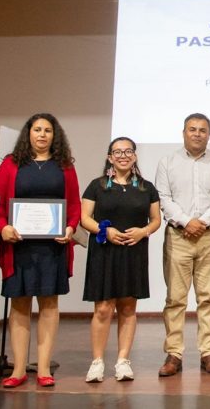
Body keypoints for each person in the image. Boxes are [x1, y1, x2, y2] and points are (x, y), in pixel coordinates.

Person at [0, 113, 81, 388]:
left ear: (55, 136)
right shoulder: (10, 164)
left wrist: (69, 228)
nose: (42, 135)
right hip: (18, 247)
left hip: (52, 247)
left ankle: (43, 368)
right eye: (37, 129)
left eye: (47, 130)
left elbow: (74, 206)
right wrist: (3, 226)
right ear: (28, 133)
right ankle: (18, 369)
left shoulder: (64, 166)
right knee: (20, 304)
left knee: (49, 304)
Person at [155, 113, 210, 376]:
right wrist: (187, 221)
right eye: (192, 129)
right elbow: (163, 198)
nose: (197, 134)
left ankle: (208, 352)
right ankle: (174, 354)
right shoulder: (168, 162)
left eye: (202, 130)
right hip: (178, 236)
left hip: (209, 236)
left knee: (207, 298)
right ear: (183, 132)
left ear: (209, 134)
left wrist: (202, 222)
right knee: (175, 298)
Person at [80, 137, 161, 383]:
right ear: (109, 157)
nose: (123, 155)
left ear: (135, 156)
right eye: (117, 151)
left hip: (133, 251)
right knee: (103, 308)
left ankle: (123, 361)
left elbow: (156, 220)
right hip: (105, 251)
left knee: (128, 308)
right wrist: (105, 231)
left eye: (128, 151)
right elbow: (84, 218)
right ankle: (97, 362)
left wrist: (143, 231)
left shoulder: (147, 188)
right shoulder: (97, 186)